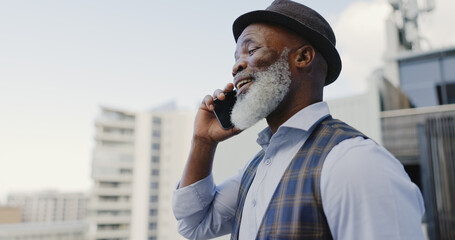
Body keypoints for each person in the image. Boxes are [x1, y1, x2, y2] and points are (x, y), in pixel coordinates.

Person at [172, 0, 426, 239]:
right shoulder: (258, 167)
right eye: (236, 57)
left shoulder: (356, 162)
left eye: (251, 50)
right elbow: (194, 224)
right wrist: (203, 141)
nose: (236, 66)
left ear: (303, 58)